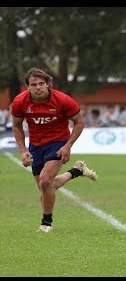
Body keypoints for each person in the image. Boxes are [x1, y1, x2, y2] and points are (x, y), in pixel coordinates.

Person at [10, 67, 98, 233]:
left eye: (41, 83)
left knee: (45, 182)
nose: (38, 87)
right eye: (33, 84)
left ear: (48, 84)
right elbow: (16, 126)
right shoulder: (20, 101)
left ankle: (46, 223)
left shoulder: (63, 100)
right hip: (35, 145)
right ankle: (77, 171)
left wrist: (67, 146)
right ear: (27, 87)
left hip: (58, 143)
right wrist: (23, 150)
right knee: (46, 187)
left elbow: (79, 122)